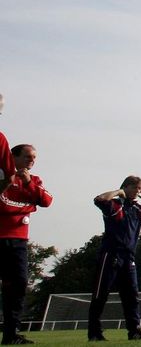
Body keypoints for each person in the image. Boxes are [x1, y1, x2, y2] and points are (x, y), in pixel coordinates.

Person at [87, 176, 141, 342]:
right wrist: (118, 192)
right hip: (110, 255)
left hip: (128, 257)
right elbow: (98, 200)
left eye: (139, 188)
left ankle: (134, 331)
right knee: (100, 295)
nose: (137, 191)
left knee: (131, 296)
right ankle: (94, 332)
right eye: (134, 187)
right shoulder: (115, 205)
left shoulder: (137, 209)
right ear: (126, 187)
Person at [0, 144, 52, 345]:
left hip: (19, 242)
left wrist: (29, 183)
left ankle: (11, 333)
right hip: (1, 237)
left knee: (19, 285)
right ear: (13, 157)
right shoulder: (4, 177)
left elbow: (46, 200)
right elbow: (3, 204)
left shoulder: (34, 180)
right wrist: (28, 206)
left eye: (34, 158)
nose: (31, 161)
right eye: (27, 156)